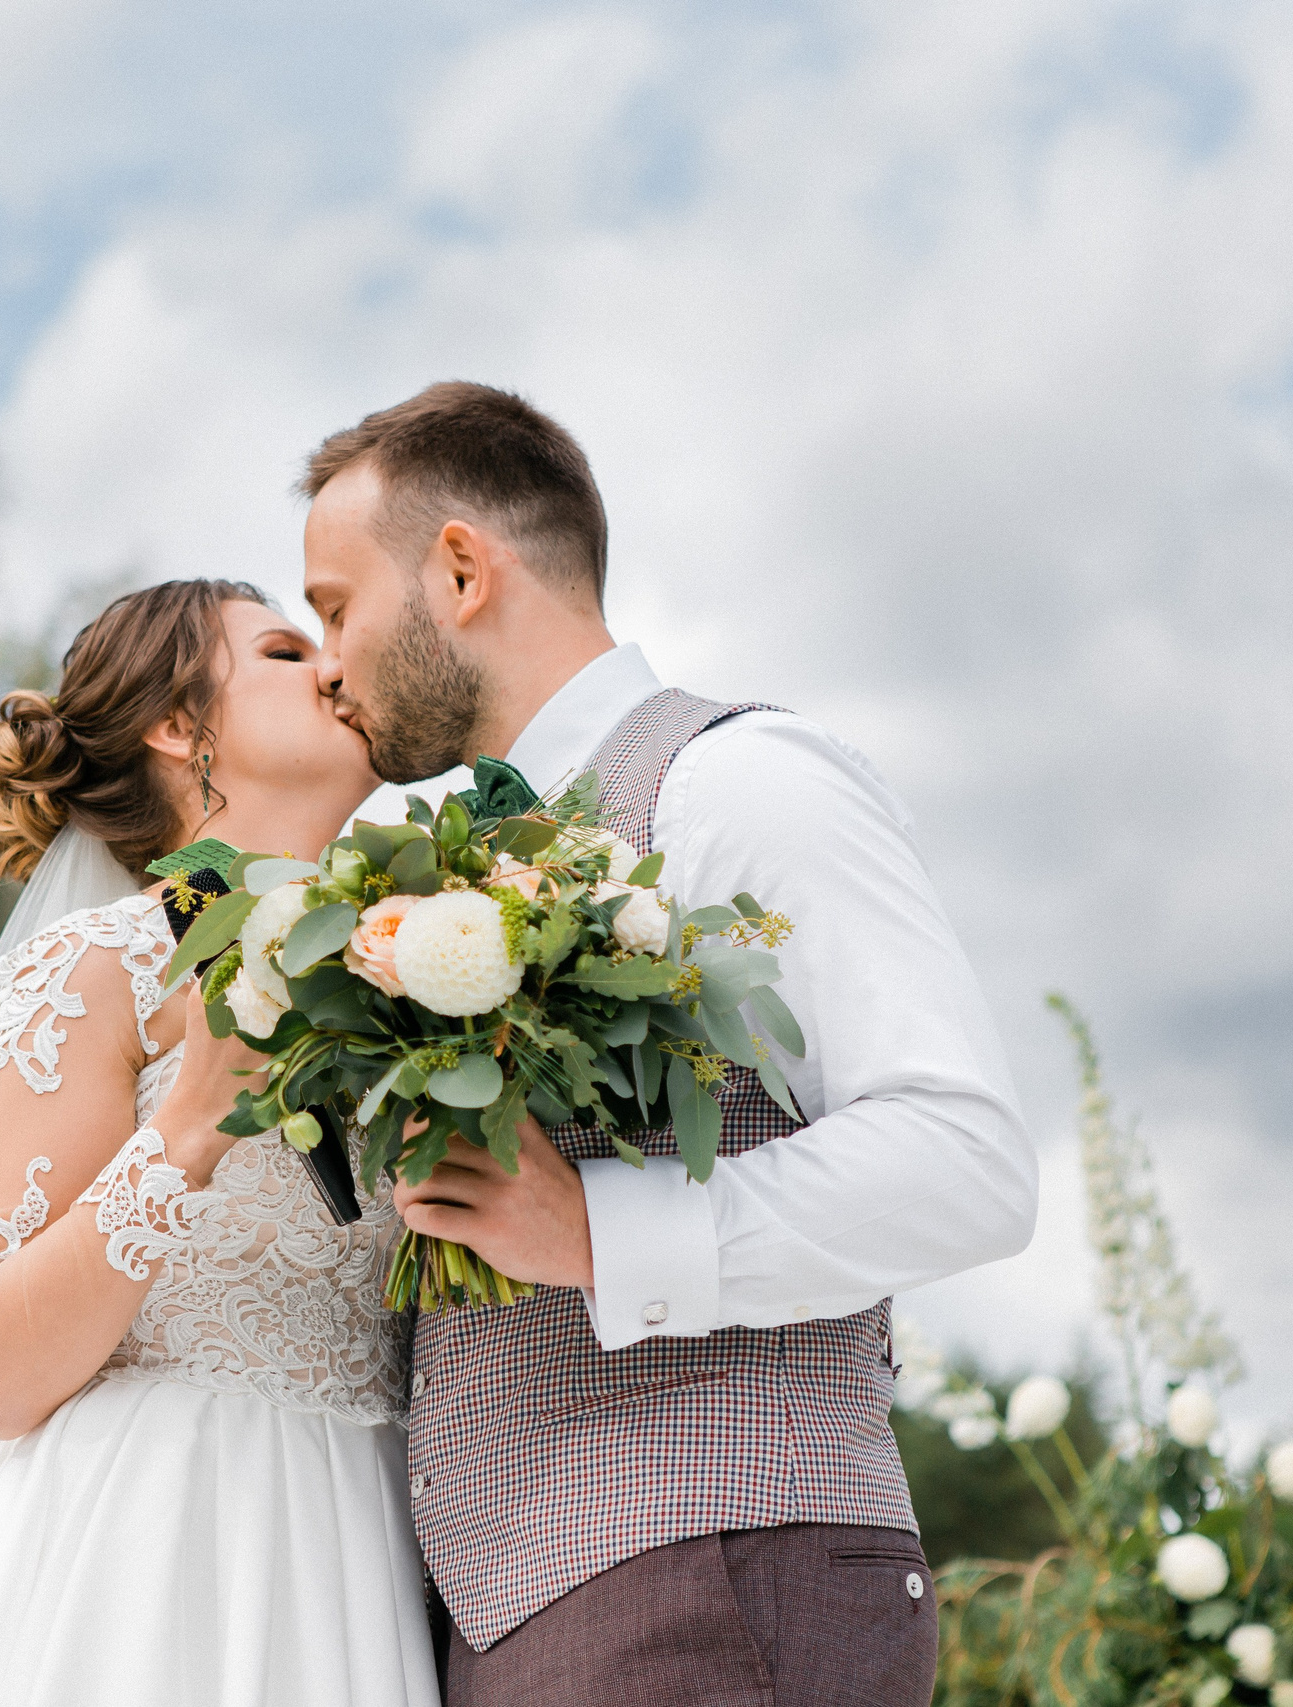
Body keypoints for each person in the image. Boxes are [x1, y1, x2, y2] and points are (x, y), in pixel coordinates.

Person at [298, 382, 1039, 1707]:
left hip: (717, 1585)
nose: (330, 667)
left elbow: (964, 1156)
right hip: (528, 1619)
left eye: (336, 607)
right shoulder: (447, 882)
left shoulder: (738, 780)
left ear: (462, 568)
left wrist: (595, 1226)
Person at [0, 579, 440, 1707]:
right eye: (288, 653)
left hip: (364, 1544)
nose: (338, 669)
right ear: (177, 726)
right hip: (145, 1550)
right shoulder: (95, 970)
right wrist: (189, 1124)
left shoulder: (415, 975)